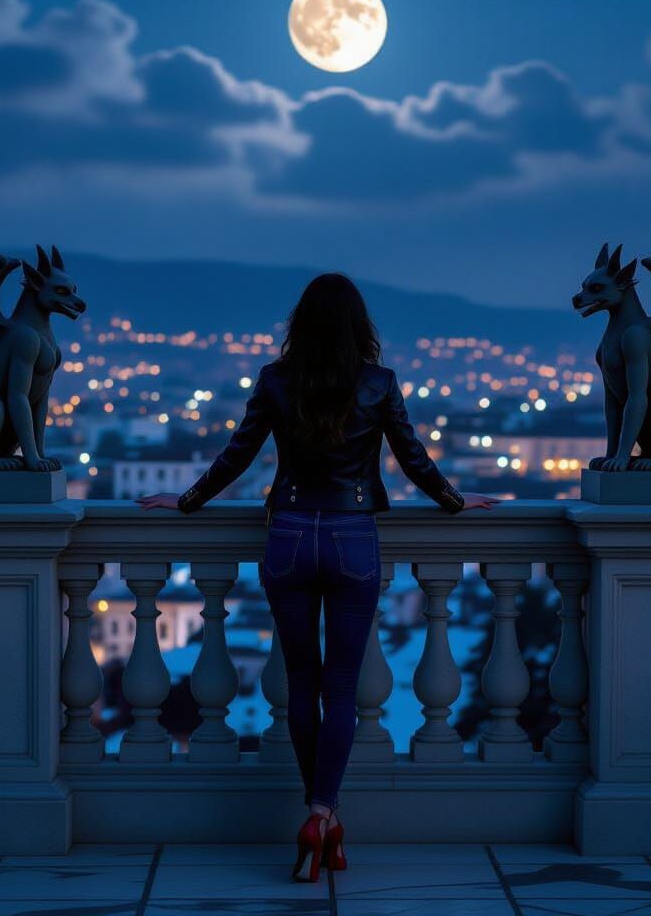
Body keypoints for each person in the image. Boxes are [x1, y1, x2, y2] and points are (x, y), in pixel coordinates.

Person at [138, 273, 498, 882]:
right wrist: (456, 501)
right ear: (361, 328)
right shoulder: (378, 384)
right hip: (353, 536)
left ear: (299, 325)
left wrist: (190, 499)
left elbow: (239, 453)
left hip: (287, 538)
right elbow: (413, 459)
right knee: (342, 689)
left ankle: (319, 819)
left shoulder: (277, 380)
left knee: (301, 683)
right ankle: (323, 811)